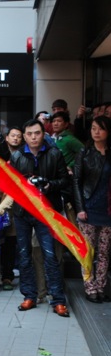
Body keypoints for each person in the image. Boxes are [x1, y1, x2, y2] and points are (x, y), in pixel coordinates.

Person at [10, 119, 71, 317]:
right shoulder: (17, 156)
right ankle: (30, 295)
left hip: (46, 211)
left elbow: (65, 180)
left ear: (43, 134)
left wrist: (49, 185)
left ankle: (58, 300)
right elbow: (11, 184)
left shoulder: (54, 153)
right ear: (24, 136)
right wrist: (25, 185)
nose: (34, 137)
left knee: (50, 255)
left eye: (37, 133)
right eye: (29, 134)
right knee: (24, 255)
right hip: (22, 212)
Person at [73, 115, 111, 303]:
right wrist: (80, 207)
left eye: (100, 129)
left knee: (104, 252)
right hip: (88, 208)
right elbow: (76, 181)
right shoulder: (84, 152)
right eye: (93, 128)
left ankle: (101, 287)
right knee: (88, 252)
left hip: (108, 210)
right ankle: (90, 287)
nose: (96, 132)